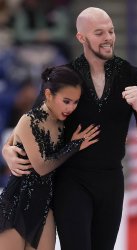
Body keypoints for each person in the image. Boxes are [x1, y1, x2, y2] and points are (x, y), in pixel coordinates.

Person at [3, 7, 137, 249]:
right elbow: (32, 120)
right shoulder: (65, 77)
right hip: (71, 179)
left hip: (111, 180)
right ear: (81, 38)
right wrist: (7, 150)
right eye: (99, 33)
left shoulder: (134, 77)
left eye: (111, 31)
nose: (108, 38)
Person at [0, 65, 100, 249]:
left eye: (75, 102)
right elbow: (41, 167)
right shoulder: (29, 120)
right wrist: (74, 146)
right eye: (66, 101)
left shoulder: (63, 123)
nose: (71, 107)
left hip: (44, 208)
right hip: (15, 205)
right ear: (48, 95)